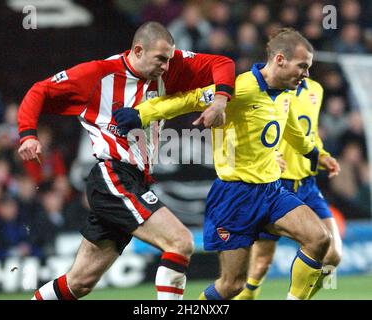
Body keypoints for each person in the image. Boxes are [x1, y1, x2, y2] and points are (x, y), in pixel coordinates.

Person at [114, 28, 338, 300]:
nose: (306, 74)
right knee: (232, 286)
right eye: (303, 66)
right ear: (280, 60)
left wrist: (315, 155)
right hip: (235, 197)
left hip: (271, 191)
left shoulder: (287, 93)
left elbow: (294, 133)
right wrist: (140, 115)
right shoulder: (239, 88)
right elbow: (187, 100)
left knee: (319, 239)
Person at [17, 21, 235, 300]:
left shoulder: (171, 65)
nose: (166, 67)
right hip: (113, 175)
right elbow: (40, 90)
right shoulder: (97, 74)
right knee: (180, 241)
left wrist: (219, 100)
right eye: (160, 59)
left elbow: (223, 63)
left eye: (169, 59)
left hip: (135, 181)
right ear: (138, 50)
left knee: (80, 282)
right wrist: (27, 135)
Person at [234, 77, 342, 300]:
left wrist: (321, 155)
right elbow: (250, 131)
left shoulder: (316, 88)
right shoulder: (268, 89)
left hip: (307, 184)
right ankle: (247, 296)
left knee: (333, 255)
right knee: (261, 261)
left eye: (307, 64)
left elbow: (309, 133)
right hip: (277, 184)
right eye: (301, 63)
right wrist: (267, 155)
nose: (305, 70)